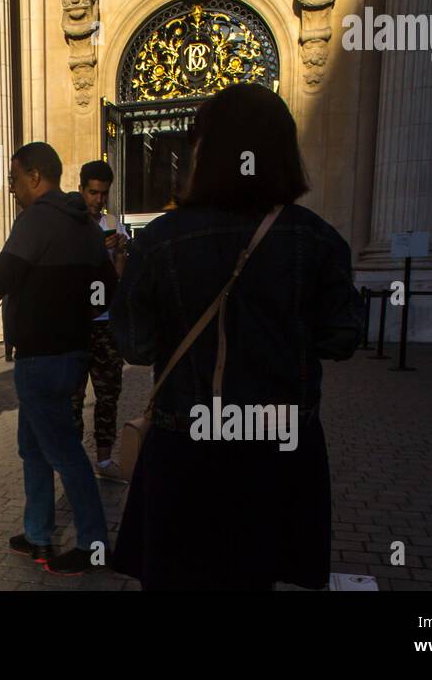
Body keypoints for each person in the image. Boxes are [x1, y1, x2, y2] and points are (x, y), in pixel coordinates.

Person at [110, 83, 365, 591]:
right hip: (279, 449)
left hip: (187, 447)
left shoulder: (160, 240)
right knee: (257, 579)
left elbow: (135, 346)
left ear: (207, 153)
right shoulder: (317, 238)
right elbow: (342, 338)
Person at [0, 142, 115, 576]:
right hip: (72, 353)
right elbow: (106, 287)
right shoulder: (86, 226)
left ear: (34, 176)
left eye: (13, 179)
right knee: (33, 448)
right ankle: (37, 533)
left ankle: (94, 544)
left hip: (42, 358)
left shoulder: (38, 220)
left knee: (64, 452)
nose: (10, 189)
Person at [73, 160, 129, 481]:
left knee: (108, 395)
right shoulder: (72, 224)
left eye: (103, 193)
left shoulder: (112, 223)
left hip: (107, 323)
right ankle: (75, 462)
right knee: (74, 398)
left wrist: (119, 253)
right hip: (78, 324)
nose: (98, 199)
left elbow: (119, 279)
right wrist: (96, 247)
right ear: (82, 190)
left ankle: (105, 462)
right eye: (92, 192)